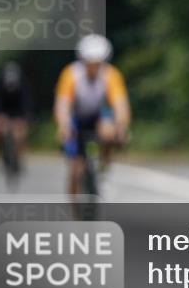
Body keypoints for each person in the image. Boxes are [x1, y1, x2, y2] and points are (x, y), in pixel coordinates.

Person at [54, 34, 131, 196]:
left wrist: (121, 126)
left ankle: (103, 170)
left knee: (109, 131)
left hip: (98, 116)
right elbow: (63, 105)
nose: (94, 67)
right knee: (75, 171)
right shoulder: (71, 74)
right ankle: (75, 214)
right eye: (90, 63)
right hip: (77, 118)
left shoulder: (111, 75)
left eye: (98, 63)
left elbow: (120, 105)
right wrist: (63, 126)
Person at [0, 61, 33, 173]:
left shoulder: (23, 84)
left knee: (20, 135)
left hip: (18, 113)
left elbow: (27, 103)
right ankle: (2, 152)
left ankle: (18, 157)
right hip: (3, 112)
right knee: (0, 130)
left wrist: (24, 118)